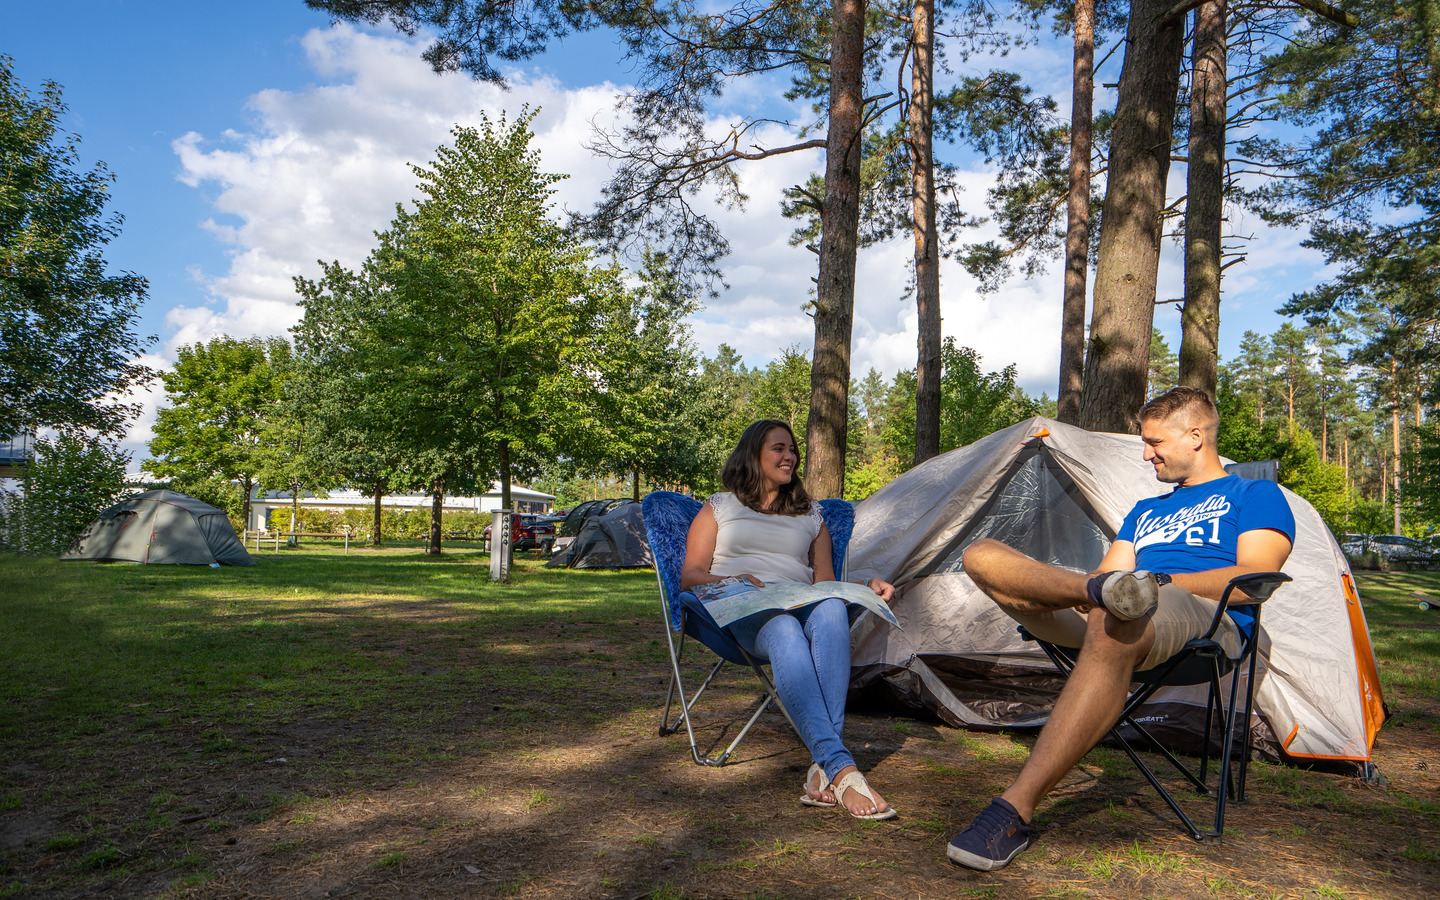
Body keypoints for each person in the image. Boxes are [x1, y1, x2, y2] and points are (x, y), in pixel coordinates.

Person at [946, 386, 1295, 870]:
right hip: (1117, 609)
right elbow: (1109, 572)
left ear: (1195, 436)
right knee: (981, 554)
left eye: (1155, 443)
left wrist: (1154, 581)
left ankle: (1014, 808)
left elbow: (1249, 579)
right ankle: (1099, 597)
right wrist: (1096, 589)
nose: (1146, 454)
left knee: (1122, 605)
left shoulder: (1255, 494)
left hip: (1203, 618)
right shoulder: (1146, 510)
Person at [681, 419, 899, 820]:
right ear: (753, 454)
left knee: (832, 606)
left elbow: (825, 584)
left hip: (800, 601)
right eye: (779, 448)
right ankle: (843, 768)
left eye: (792, 450)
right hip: (743, 606)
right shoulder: (719, 506)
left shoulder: (811, 516)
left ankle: (824, 768)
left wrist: (865, 585)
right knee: (782, 627)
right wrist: (732, 580)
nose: (790, 457)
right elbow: (691, 575)